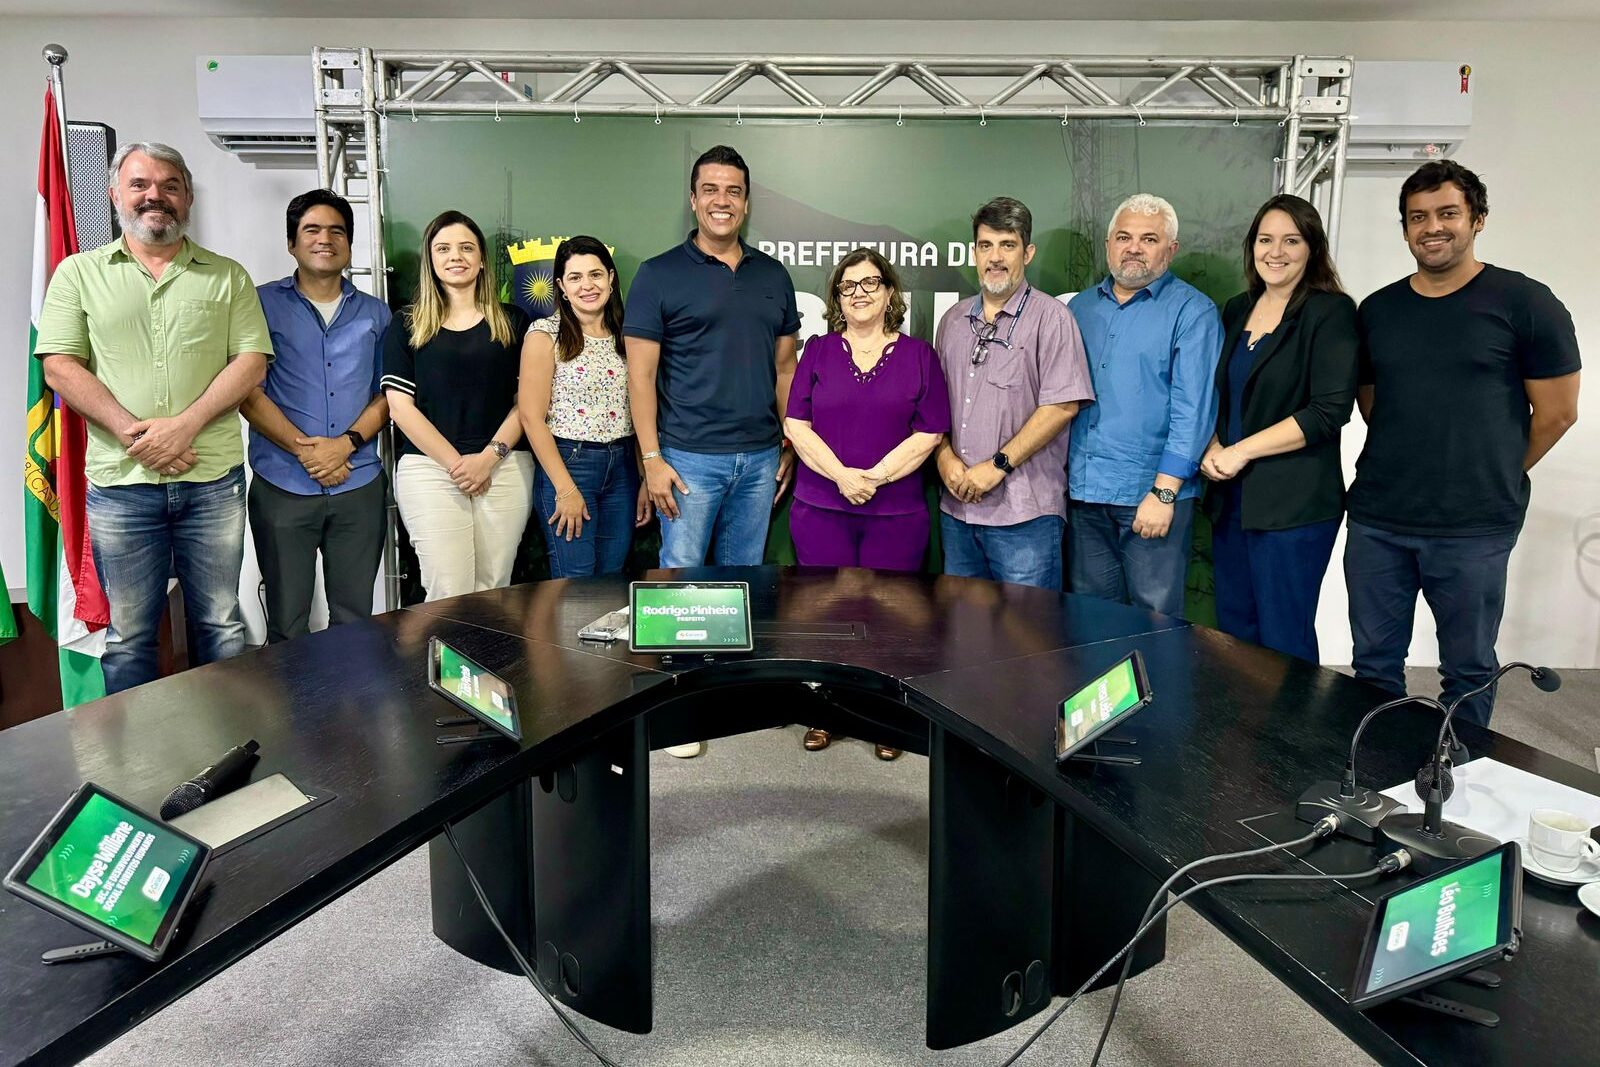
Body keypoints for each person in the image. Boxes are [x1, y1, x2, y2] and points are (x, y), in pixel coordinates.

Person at [1345, 161, 1580, 727]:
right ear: (1404, 229)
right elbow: (1371, 402)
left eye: (1448, 213)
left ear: (1477, 219)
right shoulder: (1377, 311)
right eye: (1417, 217)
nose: (1433, 228)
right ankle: (1377, 773)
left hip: (1474, 526)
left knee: (1468, 668)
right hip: (1379, 519)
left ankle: (1458, 779)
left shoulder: (1526, 303)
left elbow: (1557, 413)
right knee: (1374, 665)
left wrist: (1492, 469)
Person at [35, 141, 271, 694]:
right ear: (116, 194)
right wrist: (132, 433)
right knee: (130, 636)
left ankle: (221, 751)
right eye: (140, 185)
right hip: (121, 485)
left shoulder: (227, 276)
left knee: (220, 625)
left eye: (168, 185)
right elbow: (60, 367)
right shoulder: (78, 274)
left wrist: (182, 427)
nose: (154, 197)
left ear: (187, 196)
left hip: (211, 480)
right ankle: (135, 769)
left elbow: (251, 363)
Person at [625, 144, 801, 758]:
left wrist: (790, 442)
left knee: (741, 582)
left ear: (745, 202)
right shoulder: (658, 274)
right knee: (683, 581)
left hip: (758, 459)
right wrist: (651, 458)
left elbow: (785, 371)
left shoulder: (772, 276)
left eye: (733, 191)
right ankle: (677, 709)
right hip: (687, 458)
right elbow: (640, 377)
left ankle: (725, 699)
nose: (721, 200)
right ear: (694, 198)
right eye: (710, 189)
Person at [785, 249, 951, 759]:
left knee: (893, 621)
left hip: (895, 513)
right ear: (836, 297)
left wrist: (873, 478)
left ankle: (886, 719)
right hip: (821, 508)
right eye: (848, 285)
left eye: (870, 283)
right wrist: (841, 477)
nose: (859, 292)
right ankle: (826, 713)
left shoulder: (920, 355)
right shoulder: (816, 351)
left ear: (889, 292)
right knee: (825, 617)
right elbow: (796, 424)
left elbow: (931, 431)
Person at [1199, 194, 1357, 663]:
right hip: (1232, 503)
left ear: (1312, 247)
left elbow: (1328, 411)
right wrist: (1211, 443)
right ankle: (1243, 735)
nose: (1276, 251)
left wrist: (1241, 450)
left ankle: (1294, 738)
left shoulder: (1331, 312)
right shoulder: (1235, 309)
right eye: (1266, 240)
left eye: (1291, 240)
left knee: (1283, 639)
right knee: (1235, 632)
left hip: (1295, 507)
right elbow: (1220, 393)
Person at [241, 189, 391, 642]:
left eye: (337, 231)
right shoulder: (259, 305)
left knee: (354, 619)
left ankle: (348, 712)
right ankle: (294, 713)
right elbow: (246, 391)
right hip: (283, 484)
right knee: (287, 621)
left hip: (357, 483)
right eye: (312, 230)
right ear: (292, 243)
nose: (326, 239)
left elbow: (388, 396)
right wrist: (307, 452)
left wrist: (342, 447)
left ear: (348, 244)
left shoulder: (376, 314)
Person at [1066, 194, 1222, 617]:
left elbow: (1194, 409)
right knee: (1089, 619)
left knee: (1154, 620)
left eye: (1148, 238)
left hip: (1150, 498)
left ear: (1170, 250)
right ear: (1108, 245)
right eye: (1124, 237)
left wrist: (1165, 492)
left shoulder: (1193, 312)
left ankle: (1161, 689)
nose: (1133, 247)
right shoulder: (1079, 308)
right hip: (1084, 493)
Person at [933, 197, 1094, 590]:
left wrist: (997, 466)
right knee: (963, 637)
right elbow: (933, 408)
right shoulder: (953, 322)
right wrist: (944, 459)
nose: (995, 257)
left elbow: (1061, 406)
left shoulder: (1052, 318)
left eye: (1008, 245)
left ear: (1028, 251)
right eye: (986, 245)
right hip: (958, 512)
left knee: (1028, 641)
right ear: (974, 252)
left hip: (1025, 518)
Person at [381, 210, 533, 601]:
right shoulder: (407, 324)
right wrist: (457, 465)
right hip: (429, 470)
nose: (456, 256)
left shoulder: (513, 321)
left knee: (495, 587)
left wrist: (487, 459)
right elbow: (400, 408)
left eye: (467, 248)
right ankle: (446, 666)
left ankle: (485, 666)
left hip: (504, 468)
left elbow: (526, 405)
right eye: (443, 248)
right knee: (448, 590)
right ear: (430, 260)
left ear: (482, 259)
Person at [517, 236, 651, 577]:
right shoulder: (545, 334)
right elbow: (531, 418)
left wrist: (644, 476)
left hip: (622, 469)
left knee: (611, 578)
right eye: (575, 278)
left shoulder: (629, 334)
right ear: (561, 286)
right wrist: (565, 489)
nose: (587, 285)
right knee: (575, 585)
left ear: (610, 278)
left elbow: (638, 408)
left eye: (595, 275)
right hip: (570, 464)